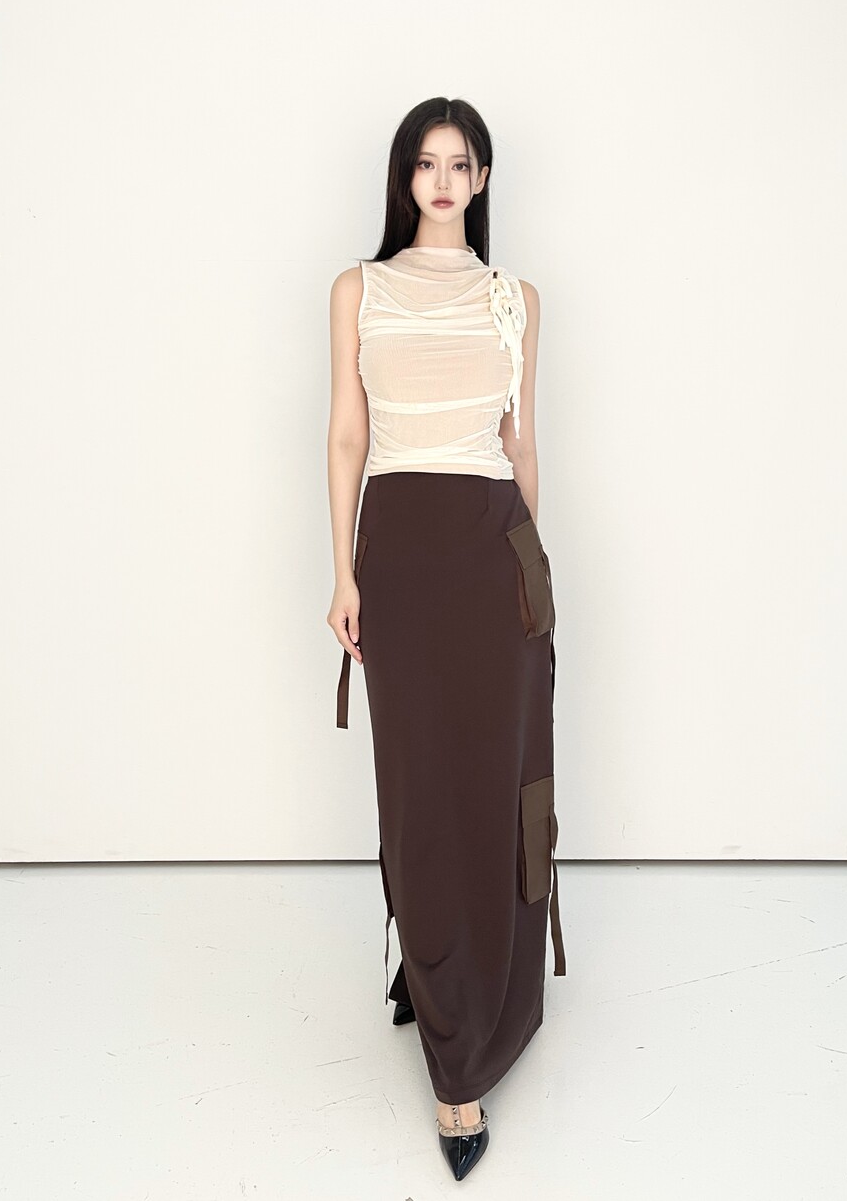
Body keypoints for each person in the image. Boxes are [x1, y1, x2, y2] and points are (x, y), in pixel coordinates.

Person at [326, 96, 565, 1183]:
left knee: (491, 783)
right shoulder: (359, 289)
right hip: (402, 556)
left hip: (493, 557)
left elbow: (524, 447)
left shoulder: (515, 299)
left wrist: (532, 578)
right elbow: (347, 435)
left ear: (481, 179)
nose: (441, 180)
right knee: (419, 790)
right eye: (424, 163)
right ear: (403, 176)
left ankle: (464, 1032)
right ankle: (437, 996)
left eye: (459, 164)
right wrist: (342, 573)